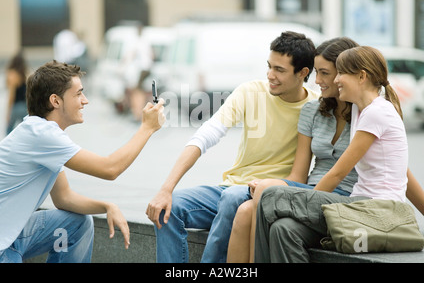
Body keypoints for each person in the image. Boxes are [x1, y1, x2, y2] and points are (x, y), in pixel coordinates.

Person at [146, 31, 319, 263]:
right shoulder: (250, 92)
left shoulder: (316, 107)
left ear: (303, 73)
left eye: (279, 70)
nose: (270, 75)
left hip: (268, 194)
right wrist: (166, 189)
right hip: (231, 187)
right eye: (269, 66)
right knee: (169, 209)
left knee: (231, 199)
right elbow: (206, 135)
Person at [254, 46, 424, 263]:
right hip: (360, 206)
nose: (336, 80)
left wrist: (306, 202)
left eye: (342, 73)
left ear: (362, 76)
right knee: (283, 229)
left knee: (271, 195)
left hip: (379, 211)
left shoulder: (377, 112)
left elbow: (337, 173)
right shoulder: (360, 109)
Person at [0, 61, 165, 263]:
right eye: (78, 94)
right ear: (55, 101)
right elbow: (110, 168)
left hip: (13, 235)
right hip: (3, 246)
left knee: (78, 223)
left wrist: (106, 206)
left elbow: (63, 198)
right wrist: (147, 128)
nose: (85, 101)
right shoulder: (42, 134)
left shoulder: (41, 133)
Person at [227, 37, 360, 263]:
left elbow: (396, 168)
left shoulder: (364, 112)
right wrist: (287, 190)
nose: (317, 81)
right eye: (316, 72)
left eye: (324, 73)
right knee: (248, 212)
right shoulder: (312, 111)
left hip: (345, 197)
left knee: (265, 190)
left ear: (344, 73)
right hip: (310, 191)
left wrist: (280, 191)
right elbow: (299, 174)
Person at [5, 51, 28, 134]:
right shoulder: (25, 74)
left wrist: (8, 112)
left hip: (16, 107)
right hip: (25, 107)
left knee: (9, 131)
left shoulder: (12, 74)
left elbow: (12, 95)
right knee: (25, 131)